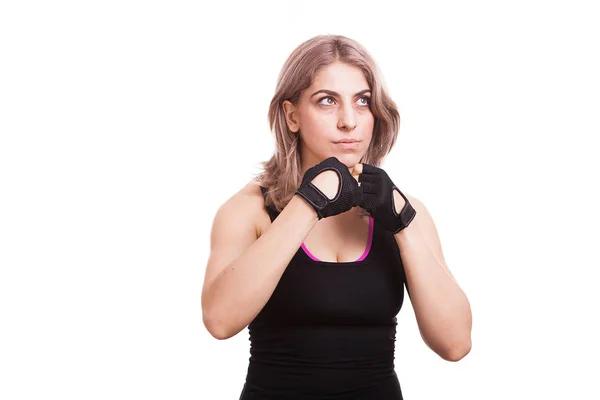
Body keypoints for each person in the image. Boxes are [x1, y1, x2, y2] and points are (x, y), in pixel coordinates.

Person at [201, 34, 472, 399]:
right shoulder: (249, 210)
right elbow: (219, 321)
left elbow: (455, 345)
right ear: (292, 115)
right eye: (327, 101)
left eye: (362, 102)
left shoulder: (408, 213)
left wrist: (403, 225)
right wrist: (308, 203)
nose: (348, 121)